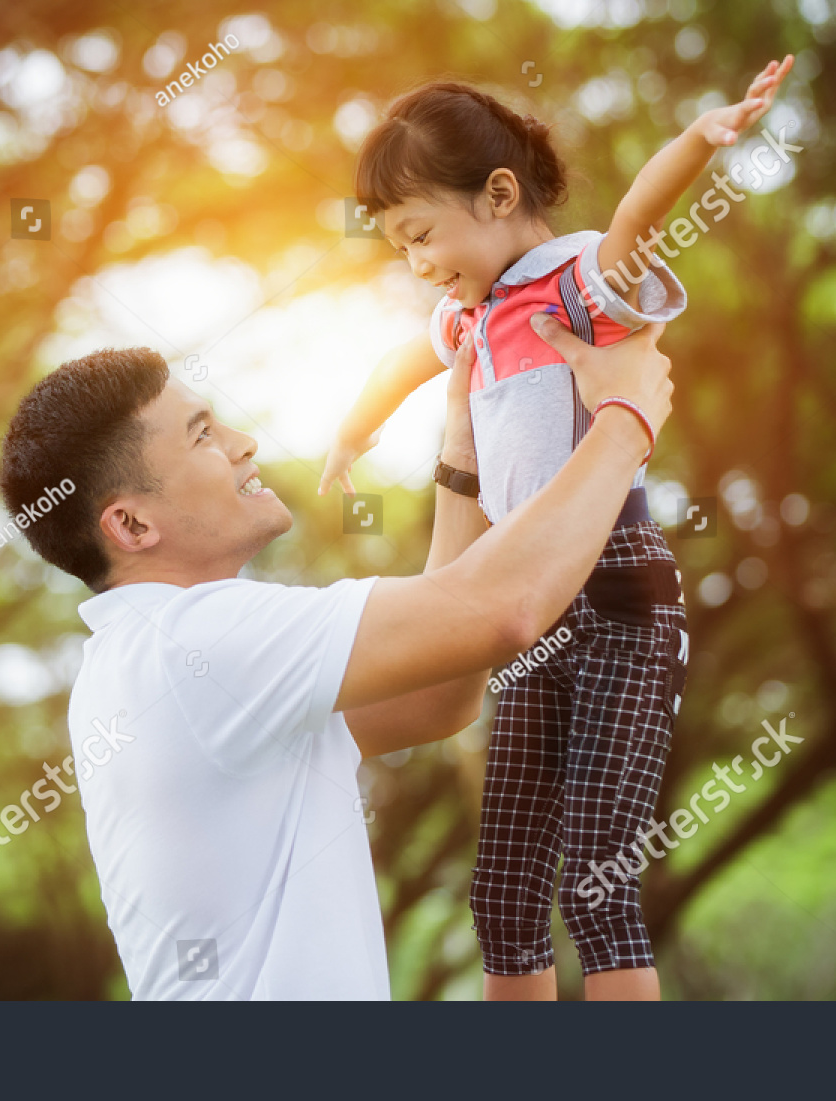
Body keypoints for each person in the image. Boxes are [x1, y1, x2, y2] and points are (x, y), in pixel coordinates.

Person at [0, 313, 671, 1000]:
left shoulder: (142, 658)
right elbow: (504, 610)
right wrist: (624, 419)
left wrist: (461, 462)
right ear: (132, 524)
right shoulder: (195, 641)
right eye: (202, 435)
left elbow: (437, 698)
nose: (242, 442)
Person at [314, 62, 789, 999]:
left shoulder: (579, 283)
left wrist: (700, 138)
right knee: (502, 895)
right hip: (526, 602)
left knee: (596, 886)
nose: (417, 264)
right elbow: (403, 361)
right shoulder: (472, 319)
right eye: (399, 248)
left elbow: (639, 217)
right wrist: (350, 432)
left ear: (499, 195)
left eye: (421, 234)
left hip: (617, 595)